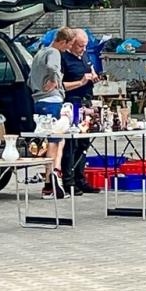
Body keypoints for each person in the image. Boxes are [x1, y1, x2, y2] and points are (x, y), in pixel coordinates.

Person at [28, 30, 73, 196]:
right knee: (56, 140)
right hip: (52, 101)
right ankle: (53, 176)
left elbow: (29, 78)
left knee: (50, 141)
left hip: (38, 101)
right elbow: (52, 67)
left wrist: (37, 88)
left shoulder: (40, 52)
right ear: (63, 41)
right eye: (68, 45)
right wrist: (55, 80)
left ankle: (49, 181)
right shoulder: (54, 52)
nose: (68, 49)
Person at [60, 29, 100, 194]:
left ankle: (80, 178)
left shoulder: (84, 56)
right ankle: (68, 180)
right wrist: (81, 81)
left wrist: (94, 76)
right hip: (72, 104)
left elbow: (90, 70)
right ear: (71, 44)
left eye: (85, 46)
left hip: (86, 103)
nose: (83, 49)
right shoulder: (63, 59)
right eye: (80, 46)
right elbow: (60, 85)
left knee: (84, 142)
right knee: (72, 143)